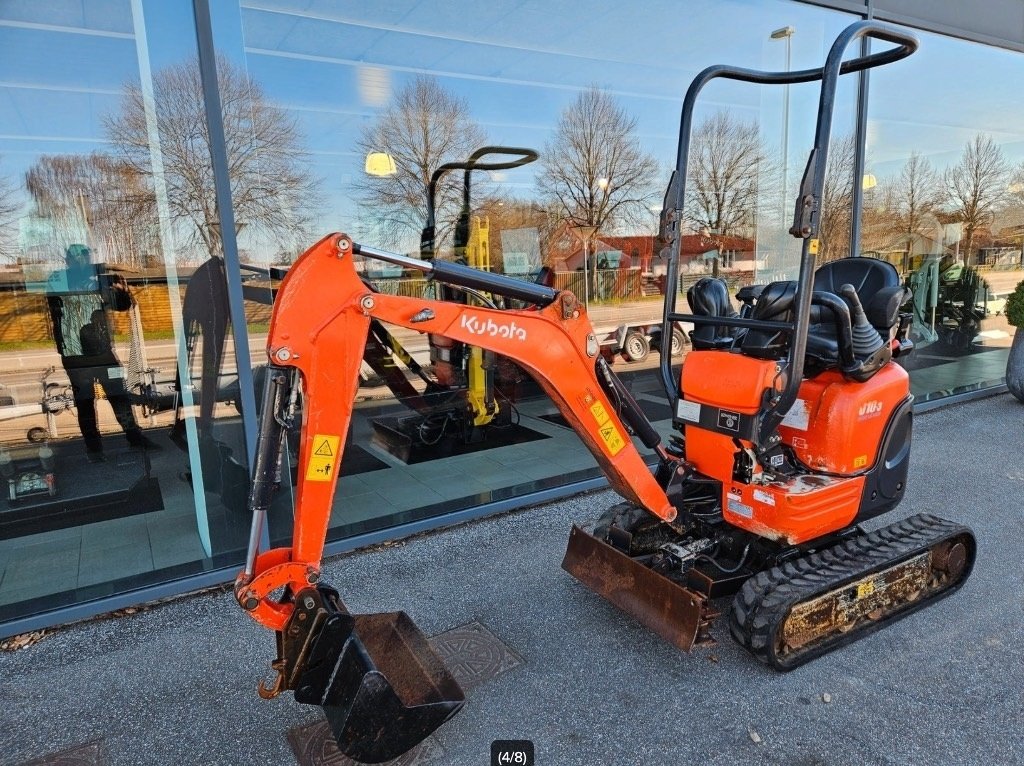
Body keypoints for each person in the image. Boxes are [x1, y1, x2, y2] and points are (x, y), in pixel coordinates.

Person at [45, 243, 160, 461]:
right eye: (79, 259)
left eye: (85, 259)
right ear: (69, 261)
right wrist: (96, 281)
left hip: (101, 350)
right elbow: (56, 298)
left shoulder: (98, 281)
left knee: (118, 396)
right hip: (75, 353)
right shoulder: (59, 278)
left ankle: (134, 438)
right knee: (86, 402)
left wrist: (121, 293)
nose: (83, 263)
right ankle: (95, 450)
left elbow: (122, 306)